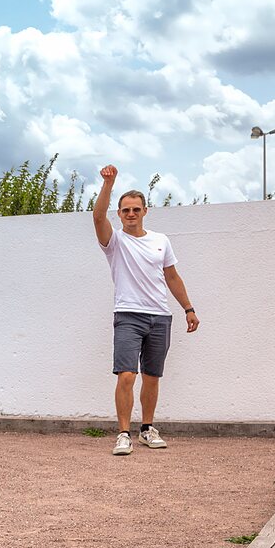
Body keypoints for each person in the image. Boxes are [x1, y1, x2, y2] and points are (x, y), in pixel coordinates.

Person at [92, 165, 199, 456]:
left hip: (160, 316)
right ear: (120, 213)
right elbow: (98, 216)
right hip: (128, 315)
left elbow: (172, 277)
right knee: (127, 375)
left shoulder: (160, 241)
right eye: (125, 210)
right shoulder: (114, 242)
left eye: (135, 209)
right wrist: (109, 184)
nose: (130, 214)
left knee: (152, 376)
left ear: (144, 211)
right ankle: (123, 433)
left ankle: (146, 430)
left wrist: (188, 308)